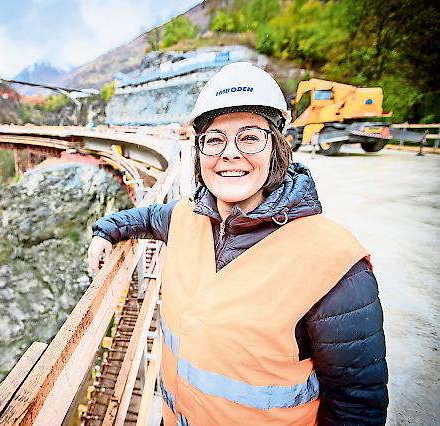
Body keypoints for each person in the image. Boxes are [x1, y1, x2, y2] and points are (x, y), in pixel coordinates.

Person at [88, 62, 388, 425]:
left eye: (249, 137)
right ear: (199, 152)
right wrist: (106, 230)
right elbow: (147, 217)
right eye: (214, 139)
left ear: (277, 148)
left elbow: (355, 406)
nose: (229, 153)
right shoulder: (185, 216)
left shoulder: (334, 264)